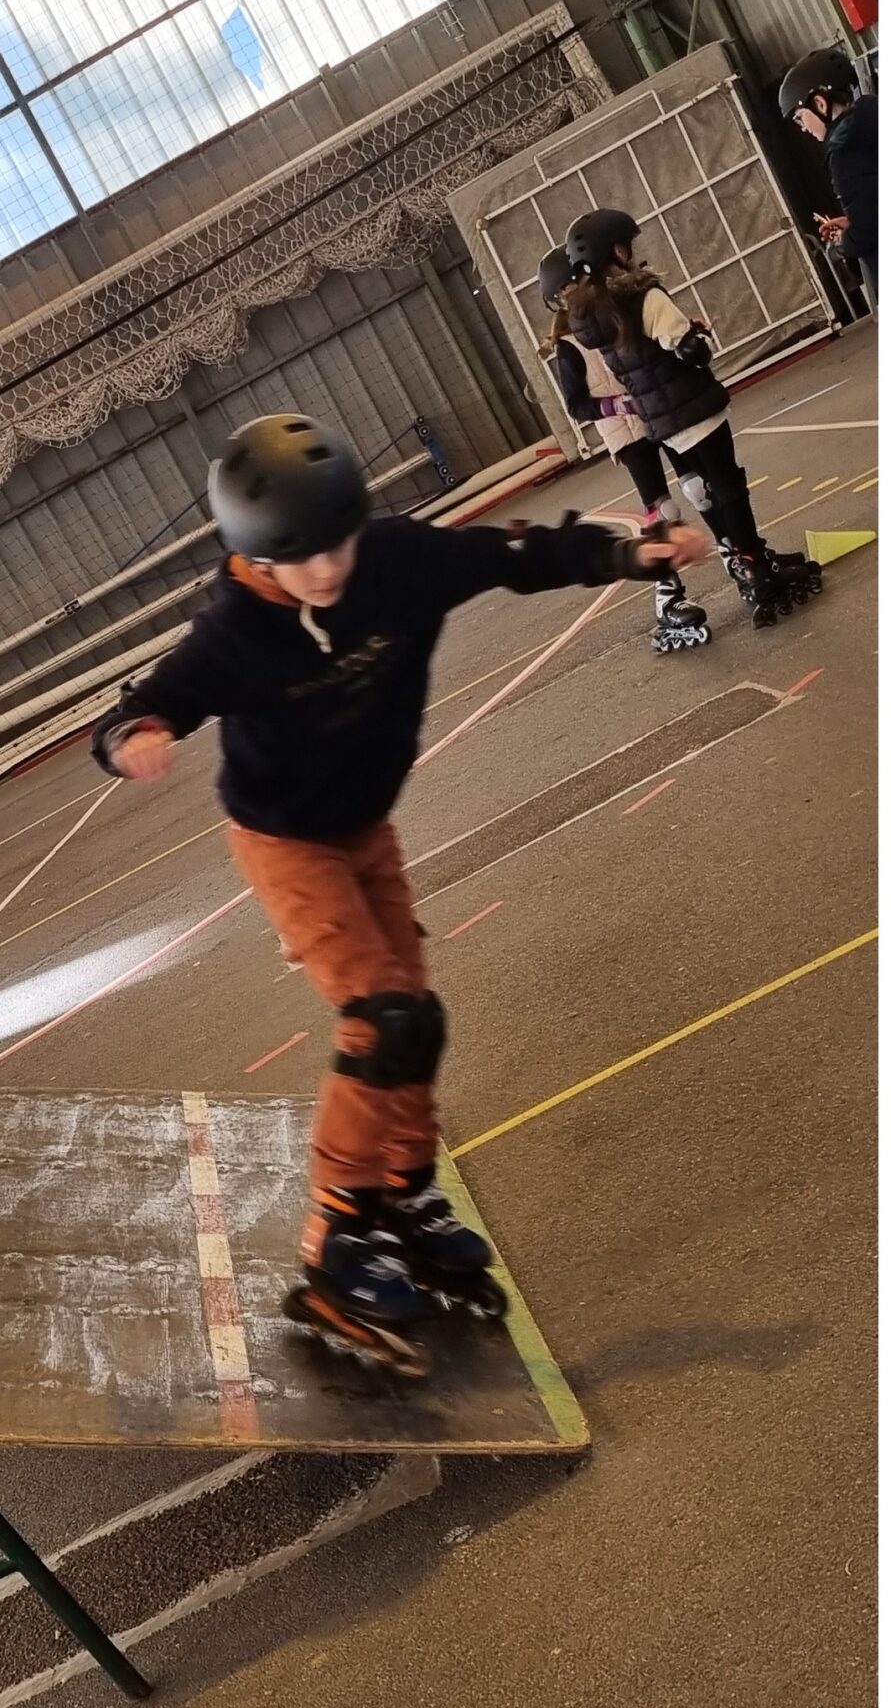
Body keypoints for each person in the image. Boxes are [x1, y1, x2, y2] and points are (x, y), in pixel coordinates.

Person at [89, 411, 710, 1365]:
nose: (323, 571)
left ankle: (407, 1193)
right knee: (380, 1022)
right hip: (287, 842)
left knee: (418, 1019)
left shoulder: (395, 560)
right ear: (252, 554)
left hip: (365, 826)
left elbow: (515, 554)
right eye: (297, 558)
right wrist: (133, 738)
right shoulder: (233, 633)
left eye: (335, 545)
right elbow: (149, 702)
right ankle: (336, 1240)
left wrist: (628, 554)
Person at [559, 208, 821, 626]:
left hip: (660, 420)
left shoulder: (596, 314)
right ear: (617, 251)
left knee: (707, 489)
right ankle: (756, 569)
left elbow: (638, 355)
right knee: (727, 485)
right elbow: (690, 351)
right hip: (692, 405)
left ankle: (748, 561)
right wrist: (696, 334)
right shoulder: (643, 296)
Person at [537, 246, 709, 653]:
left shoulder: (615, 312)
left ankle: (738, 557)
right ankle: (668, 598)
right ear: (559, 298)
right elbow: (576, 405)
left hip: (658, 414)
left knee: (700, 488)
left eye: (579, 282)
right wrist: (618, 405)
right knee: (664, 512)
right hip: (627, 434)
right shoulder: (568, 345)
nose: (578, 291)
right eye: (568, 289)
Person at [779, 46, 877, 306]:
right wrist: (853, 220)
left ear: (819, 104)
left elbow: (869, 231)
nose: (803, 128)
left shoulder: (846, 151)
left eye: (800, 118)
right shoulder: (874, 119)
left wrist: (844, 244)